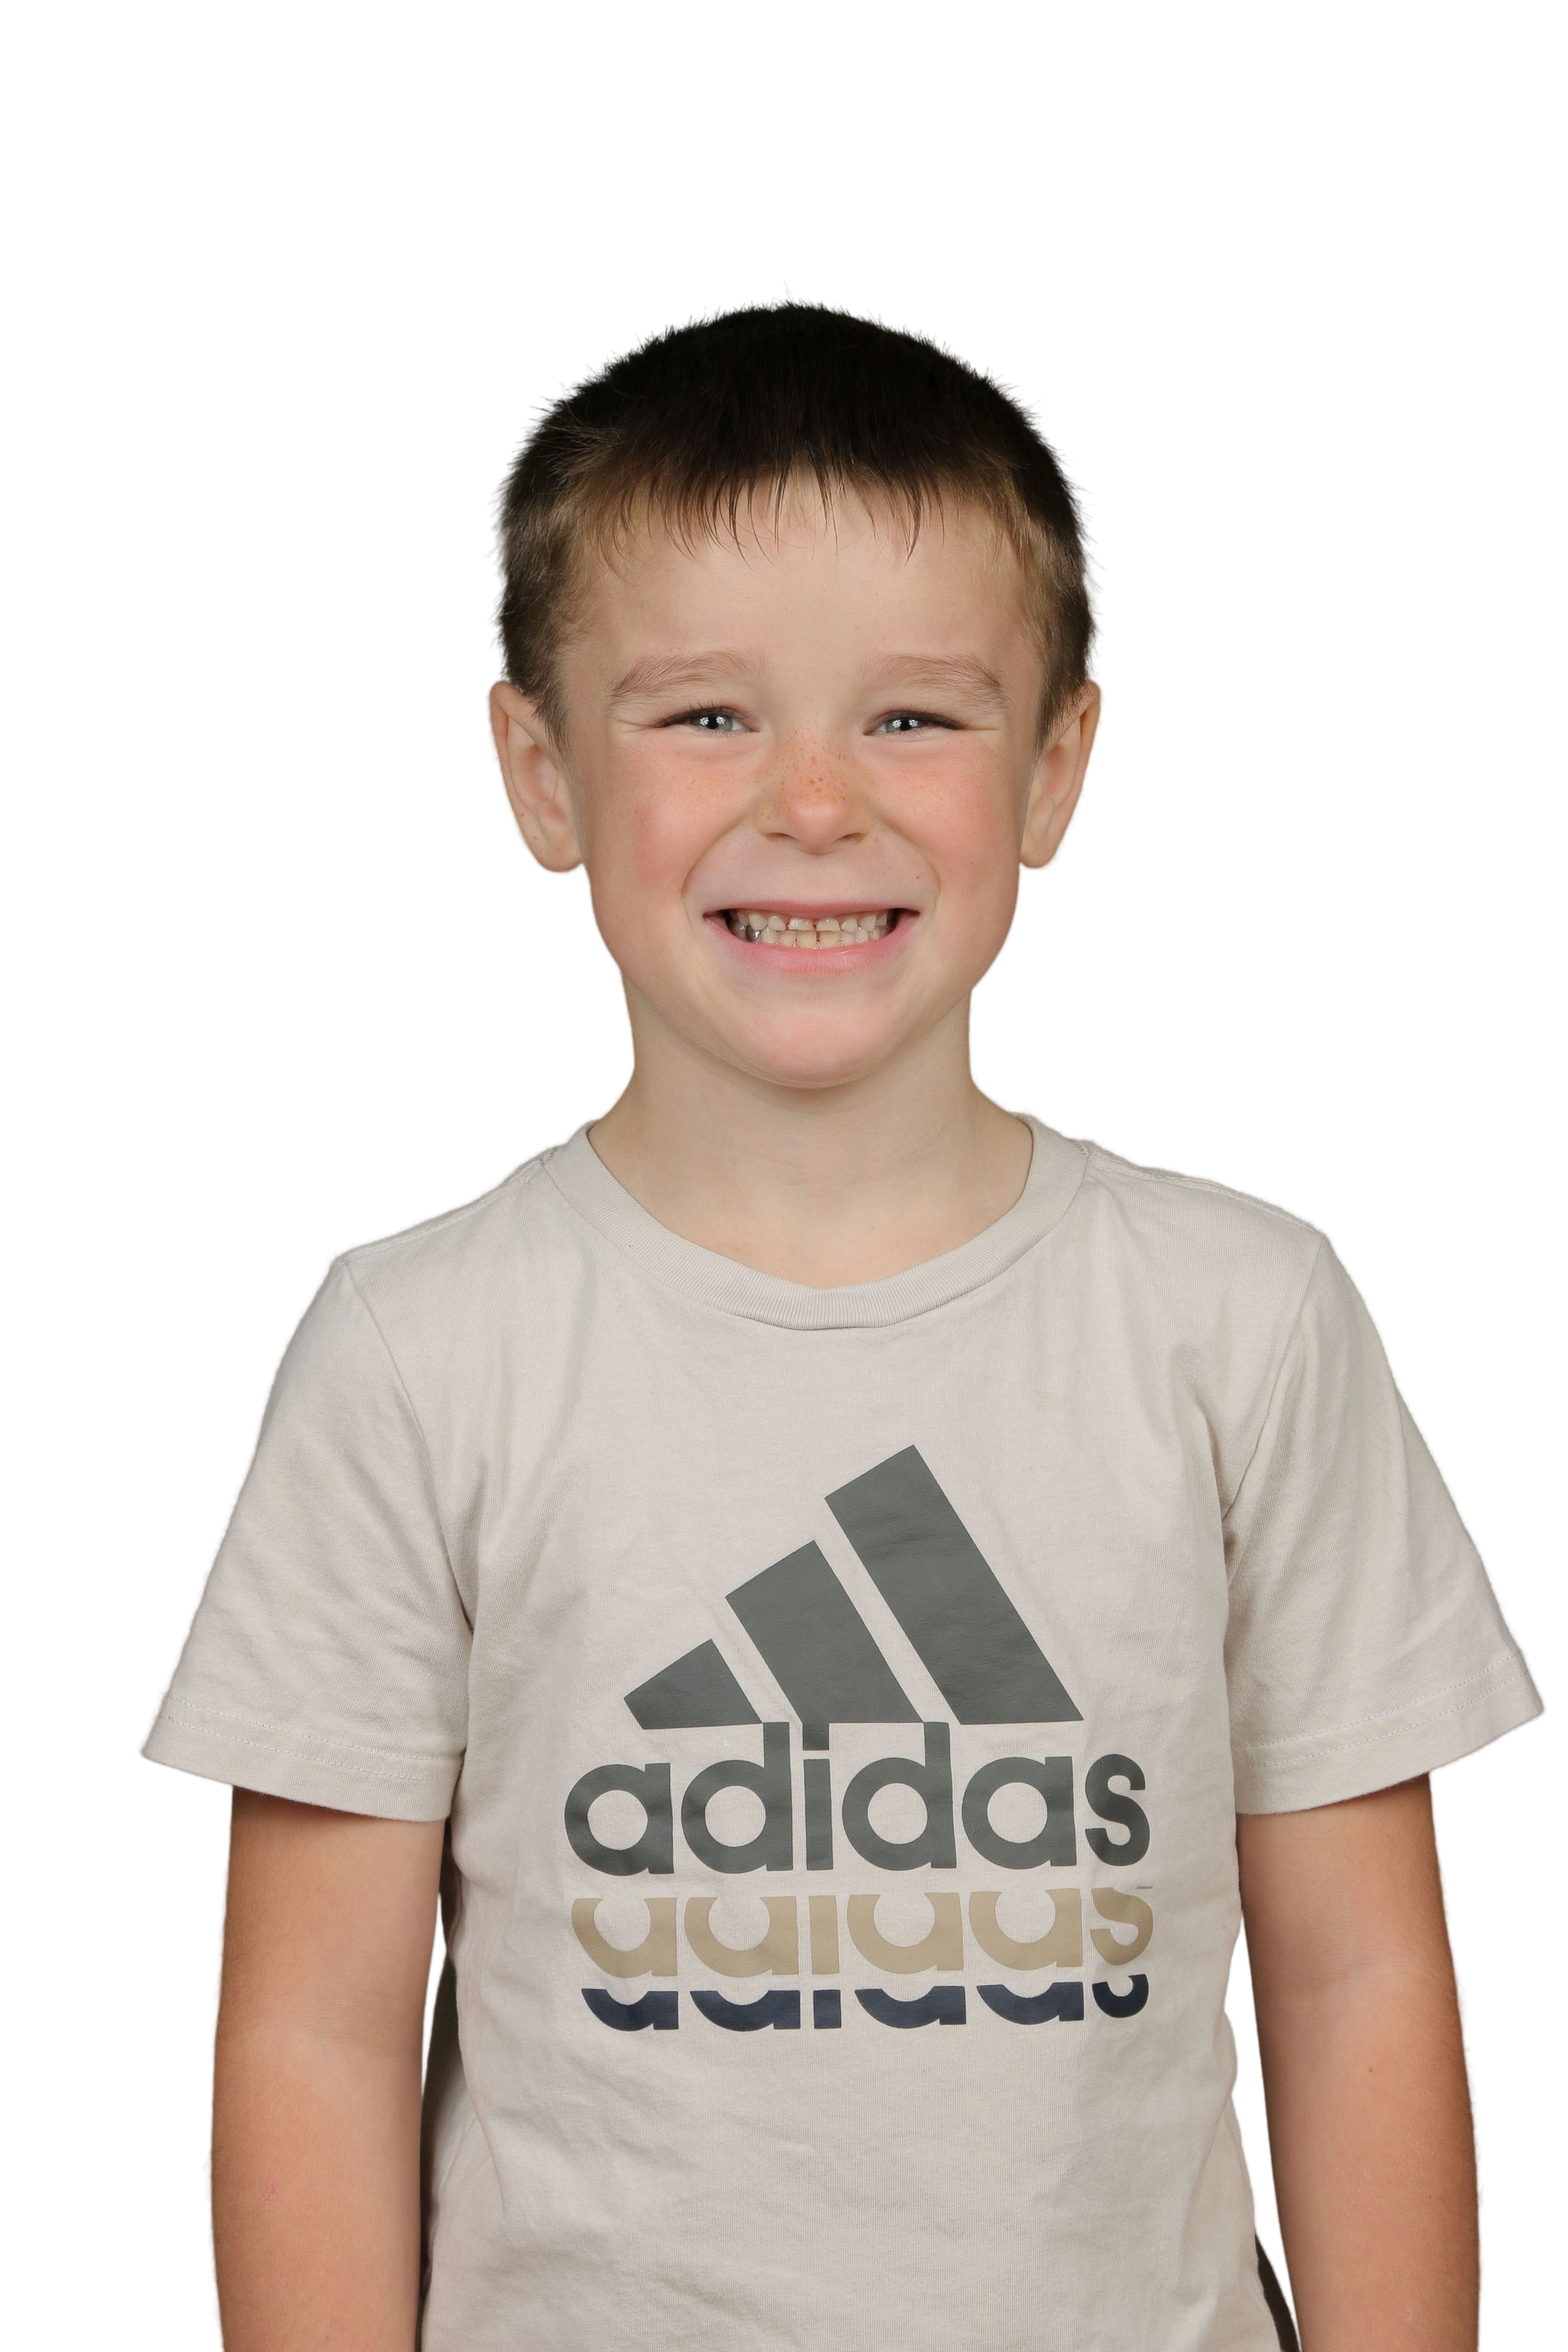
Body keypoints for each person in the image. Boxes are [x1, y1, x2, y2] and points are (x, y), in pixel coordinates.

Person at [137, 291, 1542, 2352]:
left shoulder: (1239, 1322)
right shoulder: (417, 1350)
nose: (813, 803)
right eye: (707, 716)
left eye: (913, 719)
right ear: (540, 774)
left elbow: (1358, 1985)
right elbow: (315, 2037)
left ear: (1057, 769)